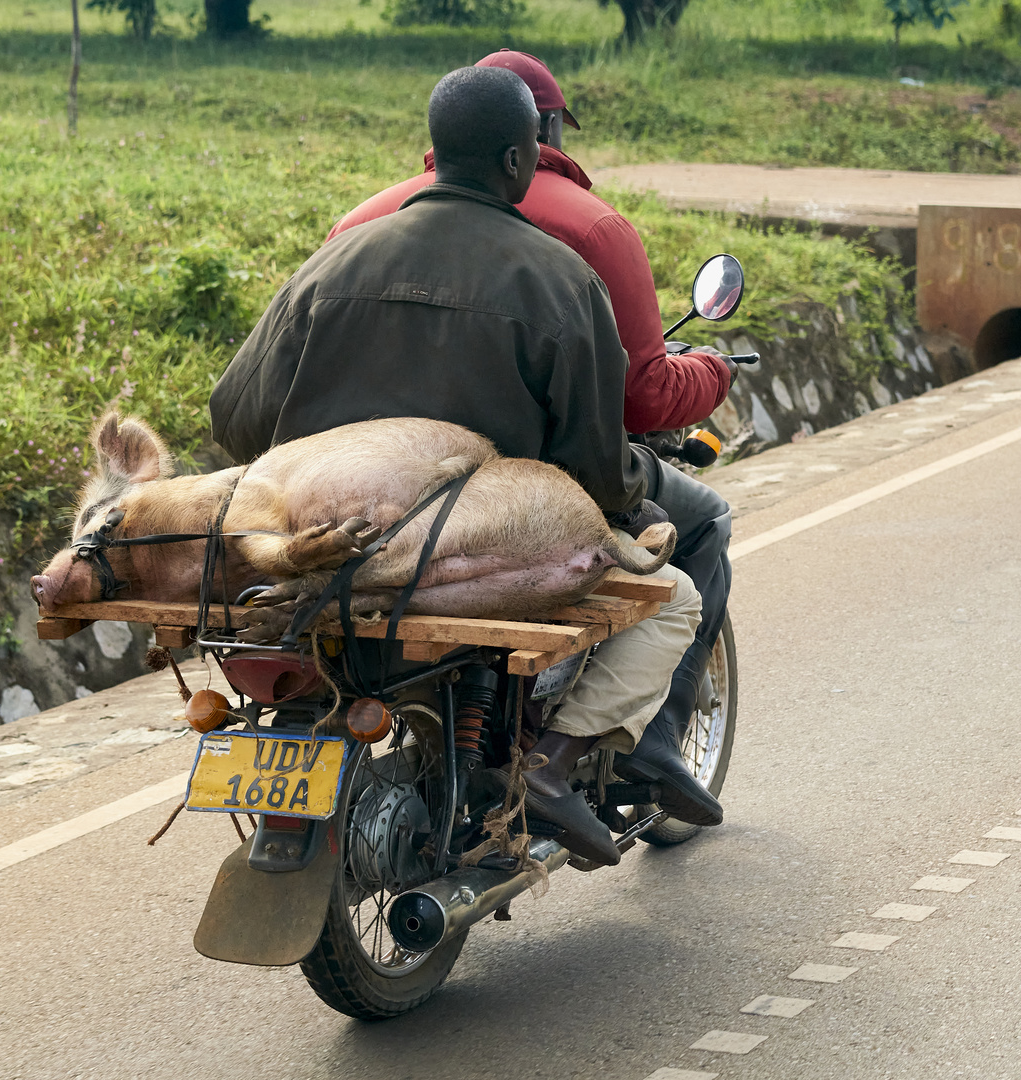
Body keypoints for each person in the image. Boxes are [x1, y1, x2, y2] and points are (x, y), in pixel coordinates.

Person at [209, 66, 702, 868]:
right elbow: (590, 470)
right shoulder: (560, 279)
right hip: (466, 556)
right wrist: (637, 496)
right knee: (673, 596)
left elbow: (235, 419)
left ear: (432, 155)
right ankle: (552, 766)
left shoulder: (332, 262)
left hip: (315, 549)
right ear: (522, 160)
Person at [330, 49, 734, 830]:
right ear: (532, 140)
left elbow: (240, 409)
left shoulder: (355, 227)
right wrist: (711, 376)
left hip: (357, 501)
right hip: (516, 491)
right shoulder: (581, 241)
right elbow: (635, 400)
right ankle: (639, 746)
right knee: (697, 532)